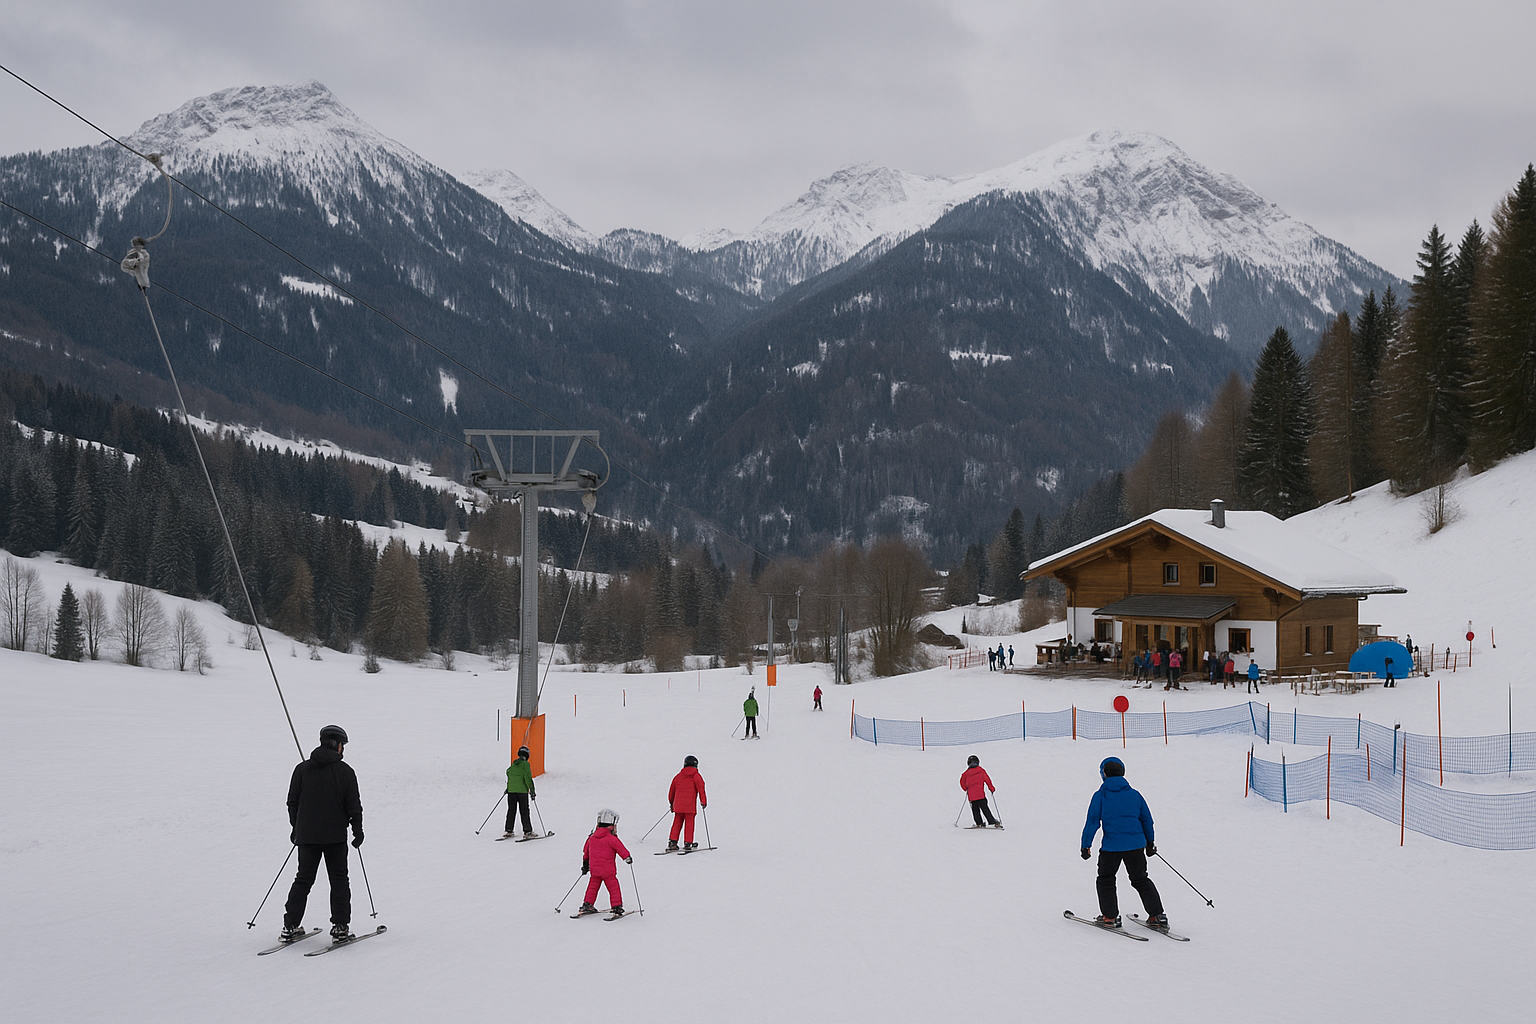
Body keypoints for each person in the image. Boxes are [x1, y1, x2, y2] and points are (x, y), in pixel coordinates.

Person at [280, 724, 364, 945]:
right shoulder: (346, 772)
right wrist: (358, 831)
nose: (343, 750)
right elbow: (353, 806)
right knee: (338, 880)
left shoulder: (301, 769)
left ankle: (289, 926)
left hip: (307, 837)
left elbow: (292, 802)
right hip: (335, 837)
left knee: (303, 879)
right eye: (342, 745)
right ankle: (340, 928)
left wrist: (296, 828)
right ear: (336, 745)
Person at [1079, 756, 1166, 930]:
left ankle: (1110, 917)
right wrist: (1150, 842)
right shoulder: (1135, 795)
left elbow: (1092, 822)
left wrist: (1086, 845)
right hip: (1136, 846)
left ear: (1103, 774)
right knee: (1140, 879)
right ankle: (1157, 915)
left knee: (1106, 879)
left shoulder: (1101, 795)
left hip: (1111, 847)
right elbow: (1147, 820)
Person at [575, 809, 632, 917]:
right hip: (608, 870)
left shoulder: (591, 838)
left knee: (593, 886)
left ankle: (587, 904)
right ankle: (617, 907)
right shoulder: (611, 838)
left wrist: (585, 865)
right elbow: (620, 848)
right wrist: (627, 857)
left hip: (595, 870)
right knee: (613, 887)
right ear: (612, 826)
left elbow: (586, 852)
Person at [666, 755, 708, 851]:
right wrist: (703, 801)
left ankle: (672, 842)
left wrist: (671, 803)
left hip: (678, 806)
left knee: (677, 822)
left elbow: (671, 791)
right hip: (690, 806)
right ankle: (688, 843)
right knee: (689, 823)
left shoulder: (678, 776)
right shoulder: (696, 776)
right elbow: (701, 789)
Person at [503, 744, 537, 839]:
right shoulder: (525, 765)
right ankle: (527, 831)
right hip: (522, 792)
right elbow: (528, 778)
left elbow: (509, 773)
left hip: (511, 792)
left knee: (511, 810)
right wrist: (532, 791)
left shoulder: (514, 764)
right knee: (524, 811)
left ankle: (509, 830)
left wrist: (508, 788)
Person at [960, 754, 1001, 828]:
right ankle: (992, 821)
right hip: (981, 795)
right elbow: (987, 780)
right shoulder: (981, 771)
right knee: (985, 808)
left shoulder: (965, 774)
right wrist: (991, 788)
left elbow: (962, 783)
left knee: (975, 810)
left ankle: (979, 823)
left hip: (972, 796)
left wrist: (966, 789)